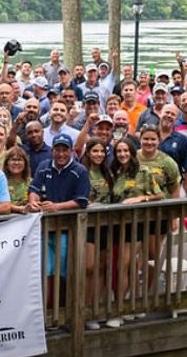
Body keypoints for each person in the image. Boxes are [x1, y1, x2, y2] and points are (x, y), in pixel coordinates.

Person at [109, 138, 163, 327]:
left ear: (132, 152)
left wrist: (142, 198)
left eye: (125, 151)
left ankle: (119, 309)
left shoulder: (143, 171)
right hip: (117, 224)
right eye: (119, 151)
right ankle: (132, 306)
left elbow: (159, 194)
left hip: (137, 224)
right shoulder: (114, 172)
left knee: (124, 266)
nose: (122, 154)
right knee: (130, 266)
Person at [28, 134, 90, 282]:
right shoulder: (44, 166)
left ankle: (64, 303)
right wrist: (32, 202)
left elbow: (82, 201)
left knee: (64, 270)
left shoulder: (80, 170)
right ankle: (47, 304)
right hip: (45, 227)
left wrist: (57, 207)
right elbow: (34, 189)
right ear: (52, 150)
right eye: (57, 149)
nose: (61, 154)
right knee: (44, 270)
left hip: (67, 228)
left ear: (71, 151)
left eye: (65, 150)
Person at [80, 138, 114, 330]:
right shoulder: (82, 171)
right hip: (88, 225)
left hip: (106, 224)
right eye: (95, 151)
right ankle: (84, 309)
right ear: (88, 152)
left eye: (102, 151)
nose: (99, 155)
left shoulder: (107, 171)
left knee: (102, 266)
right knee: (89, 267)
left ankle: (96, 307)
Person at [2, 147, 31, 214]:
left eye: (20, 160)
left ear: (25, 163)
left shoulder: (31, 183)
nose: (16, 163)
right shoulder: (1, 182)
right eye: (13, 160)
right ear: (6, 164)